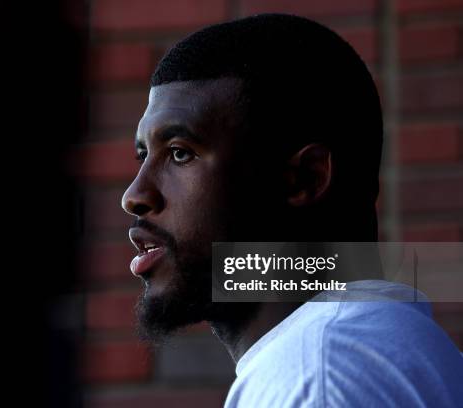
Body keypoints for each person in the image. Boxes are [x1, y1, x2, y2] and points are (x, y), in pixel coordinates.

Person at [120, 14, 463, 407]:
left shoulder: (319, 376)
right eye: (143, 155)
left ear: (304, 179)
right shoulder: (383, 350)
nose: (134, 195)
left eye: (180, 153)